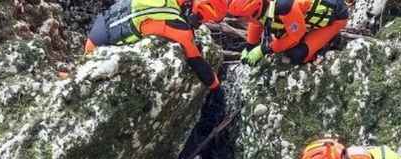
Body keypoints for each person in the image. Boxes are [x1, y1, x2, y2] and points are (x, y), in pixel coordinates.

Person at [85, 0, 228, 90]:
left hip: (101, 24)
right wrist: (215, 87)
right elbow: (197, 62)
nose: (199, 24)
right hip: (98, 48)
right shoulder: (179, 29)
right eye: (201, 20)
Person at [228, 0, 349, 65]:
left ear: (253, 11)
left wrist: (264, 49)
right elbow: (256, 23)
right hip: (302, 21)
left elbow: (295, 38)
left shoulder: (284, 6)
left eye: (242, 17)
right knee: (280, 35)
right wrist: (250, 46)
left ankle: (330, 42)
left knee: (297, 54)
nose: (242, 20)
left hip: (335, 19)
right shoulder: (263, 6)